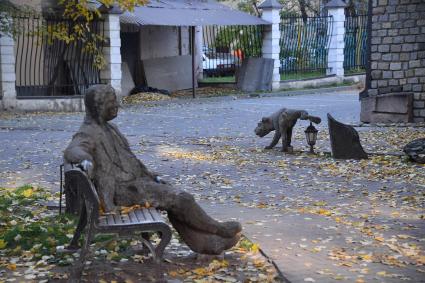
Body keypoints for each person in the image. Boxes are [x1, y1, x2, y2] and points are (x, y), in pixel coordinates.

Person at [64, 85, 241, 255]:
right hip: (124, 191)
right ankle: (218, 229)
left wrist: (150, 176)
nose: (117, 105)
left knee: (175, 200)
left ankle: (210, 244)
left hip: (135, 183)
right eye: (112, 102)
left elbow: (130, 159)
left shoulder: (110, 128)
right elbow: (73, 149)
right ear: (99, 106)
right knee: (181, 199)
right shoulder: (89, 132)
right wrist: (84, 159)